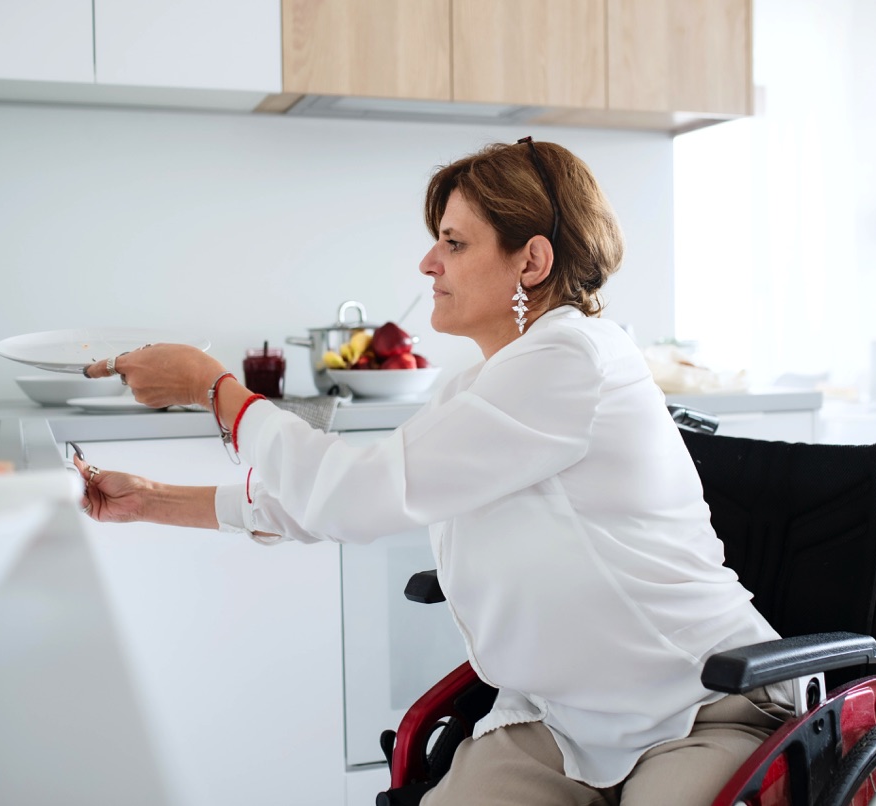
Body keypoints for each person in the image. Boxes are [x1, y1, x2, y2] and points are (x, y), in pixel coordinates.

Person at [76, 137, 794, 805]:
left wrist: (218, 392)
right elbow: (324, 500)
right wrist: (151, 500)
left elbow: (354, 497)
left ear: (531, 262)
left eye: (453, 243)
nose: (428, 264)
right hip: (564, 723)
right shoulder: (474, 386)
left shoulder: (574, 359)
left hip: (699, 704)